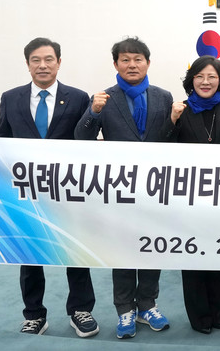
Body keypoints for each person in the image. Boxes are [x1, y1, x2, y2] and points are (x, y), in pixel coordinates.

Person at [0, 37, 98, 337]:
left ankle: (81, 310)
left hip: (67, 190)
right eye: (35, 60)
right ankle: (34, 314)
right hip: (27, 191)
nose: (42, 65)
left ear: (59, 62)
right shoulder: (10, 98)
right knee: (29, 253)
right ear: (27, 64)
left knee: (75, 251)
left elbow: (85, 140)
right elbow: (1, 140)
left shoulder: (78, 98)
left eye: (49, 59)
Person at [74, 37, 173, 340]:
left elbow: (170, 139)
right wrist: (93, 112)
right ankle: (125, 309)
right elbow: (81, 139)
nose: (132, 65)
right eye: (125, 60)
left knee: (152, 247)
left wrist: (173, 121)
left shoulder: (164, 97)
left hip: (156, 188)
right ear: (116, 64)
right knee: (123, 249)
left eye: (138, 59)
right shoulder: (105, 98)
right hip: (120, 190)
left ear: (148, 63)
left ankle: (148, 305)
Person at [163, 55, 220, 335]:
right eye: (200, 77)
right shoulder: (180, 110)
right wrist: (172, 121)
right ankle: (199, 317)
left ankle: (218, 313)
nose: (206, 82)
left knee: (217, 254)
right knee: (193, 256)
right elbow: (161, 149)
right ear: (191, 80)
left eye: (212, 77)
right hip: (188, 199)